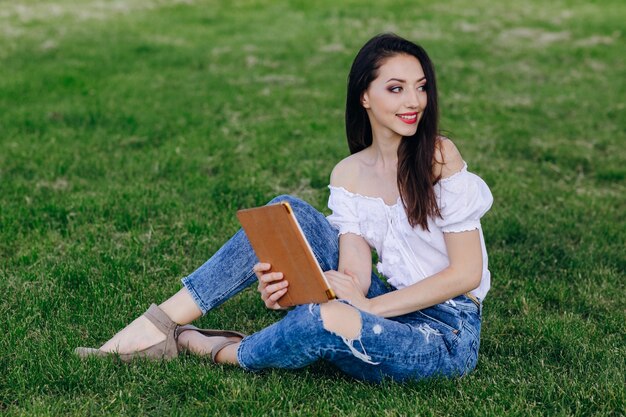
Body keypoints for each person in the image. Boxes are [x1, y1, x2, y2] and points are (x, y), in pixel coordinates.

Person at [76, 33, 493, 383]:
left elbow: (465, 273)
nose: (414, 101)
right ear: (364, 95)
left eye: (420, 87)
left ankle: (219, 349)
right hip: (393, 303)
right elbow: (354, 278)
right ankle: (158, 324)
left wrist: (368, 308)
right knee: (284, 214)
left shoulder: (439, 156)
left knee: (322, 320)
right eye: (396, 88)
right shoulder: (350, 173)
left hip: (444, 333)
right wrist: (292, 285)